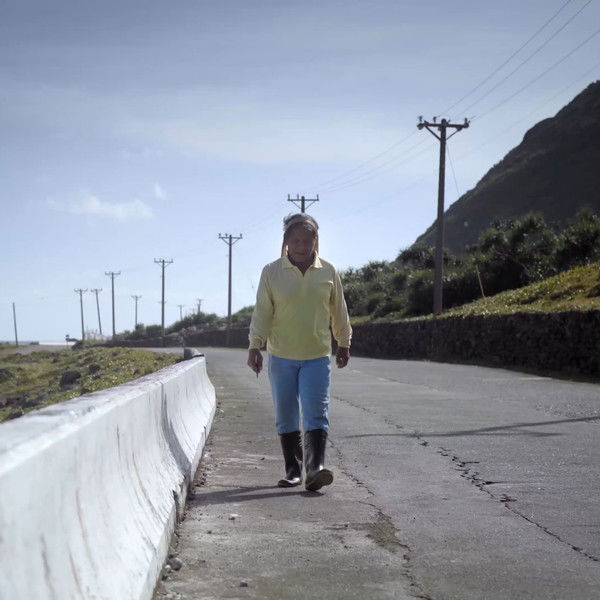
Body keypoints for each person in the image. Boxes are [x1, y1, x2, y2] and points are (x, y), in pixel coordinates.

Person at [247, 213, 352, 492]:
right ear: (286, 241)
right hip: (281, 355)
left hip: (316, 355)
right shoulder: (272, 272)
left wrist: (343, 342)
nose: (302, 246)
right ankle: (293, 470)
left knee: (317, 411)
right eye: (296, 241)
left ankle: (315, 468)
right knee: (286, 413)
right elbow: (262, 312)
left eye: (307, 240)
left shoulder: (328, 271)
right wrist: (255, 345)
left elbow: (339, 310)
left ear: (316, 241)